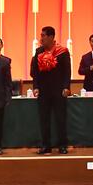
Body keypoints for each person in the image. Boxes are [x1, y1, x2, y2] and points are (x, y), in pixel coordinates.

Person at [30, 26, 71, 154]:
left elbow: (67, 71)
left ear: (51, 37)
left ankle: (62, 145)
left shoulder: (63, 51)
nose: (41, 38)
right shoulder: (39, 51)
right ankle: (46, 145)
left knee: (60, 119)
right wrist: (36, 87)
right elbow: (35, 72)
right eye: (41, 35)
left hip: (59, 91)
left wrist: (66, 87)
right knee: (44, 119)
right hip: (43, 91)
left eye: (43, 35)